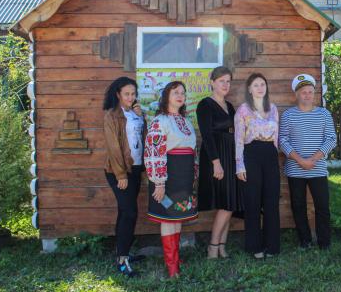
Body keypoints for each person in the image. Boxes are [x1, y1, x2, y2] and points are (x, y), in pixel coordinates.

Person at [144, 81, 198, 277]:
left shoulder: (186, 121)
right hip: (167, 176)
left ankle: (176, 257)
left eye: (183, 92)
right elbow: (154, 152)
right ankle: (171, 264)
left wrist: (194, 175)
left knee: (177, 216)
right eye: (176, 92)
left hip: (184, 177)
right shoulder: (160, 121)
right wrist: (159, 181)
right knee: (167, 217)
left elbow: (193, 151)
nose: (180, 96)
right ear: (166, 96)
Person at [279, 74, 336, 249]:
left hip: (317, 168)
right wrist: (300, 161)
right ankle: (305, 241)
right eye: (304, 92)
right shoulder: (288, 115)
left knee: (322, 207)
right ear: (296, 94)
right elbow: (282, 140)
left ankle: (324, 242)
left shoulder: (324, 114)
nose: (308, 95)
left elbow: (331, 139)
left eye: (310, 92)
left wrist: (312, 160)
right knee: (298, 206)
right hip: (295, 169)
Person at [103, 77, 147, 277]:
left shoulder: (134, 113)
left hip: (136, 168)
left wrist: (142, 116)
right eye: (127, 94)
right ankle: (122, 261)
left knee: (125, 212)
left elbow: (142, 138)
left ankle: (124, 253)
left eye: (133, 93)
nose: (130, 97)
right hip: (119, 171)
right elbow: (113, 148)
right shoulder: (112, 116)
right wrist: (121, 174)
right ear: (118, 94)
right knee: (129, 213)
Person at [196, 66, 241, 259]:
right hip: (216, 156)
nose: (225, 84)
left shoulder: (230, 106)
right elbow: (206, 135)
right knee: (225, 203)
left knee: (230, 202)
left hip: (230, 155)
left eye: (228, 81)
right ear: (212, 82)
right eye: (222, 80)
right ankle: (213, 247)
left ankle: (222, 245)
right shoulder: (205, 104)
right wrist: (216, 162)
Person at [234, 73, 280, 258]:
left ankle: (272, 246)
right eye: (256, 85)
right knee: (253, 202)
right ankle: (255, 247)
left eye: (263, 84)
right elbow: (238, 140)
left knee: (271, 201)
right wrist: (240, 165)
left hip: (269, 155)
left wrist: (274, 157)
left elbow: (276, 138)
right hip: (251, 155)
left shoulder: (273, 109)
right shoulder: (243, 110)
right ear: (249, 89)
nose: (260, 88)